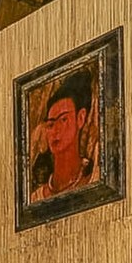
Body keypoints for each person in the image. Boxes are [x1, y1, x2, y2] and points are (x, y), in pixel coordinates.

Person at [30, 68, 95, 202]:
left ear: (80, 118)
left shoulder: (94, 178)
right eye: (51, 124)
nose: (55, 130)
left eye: (63, 119)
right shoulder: (36, 198)